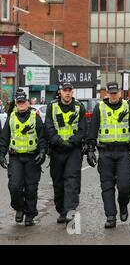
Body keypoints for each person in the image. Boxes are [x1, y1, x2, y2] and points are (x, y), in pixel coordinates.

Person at [86, 82, 130, 229]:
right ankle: (110, 216)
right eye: (111, 93)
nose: (113, 95)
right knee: (107, 186)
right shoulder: (99, 108)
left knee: (125, 185)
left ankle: (123, 204)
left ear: (120, 93)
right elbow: (92, 130)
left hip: (123, 152)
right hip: (105, 152)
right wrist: (90, 150)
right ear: (107, 93)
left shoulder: (128, 107)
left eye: (115, 93)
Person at [0, 91, 47, 226]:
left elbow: (42, 137)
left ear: (27, 103)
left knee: (31, 188)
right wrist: (2, 154)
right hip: (16, 158)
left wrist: (43, 151)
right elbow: (4, 138)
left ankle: (30, 214)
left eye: (23, 102)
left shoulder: (35, 117)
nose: (21, 105)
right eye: (19, 102)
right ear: (16, 104)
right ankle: (19, 208)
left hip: (32, 158)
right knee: (15, 186)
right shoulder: (11, 118)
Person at [45, 82, 87, 224]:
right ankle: (61, 210)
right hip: (57, 150)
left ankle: (70, 211)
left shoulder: (79, 107)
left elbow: (82, 128)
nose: (67, 93)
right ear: (60, 92)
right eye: (65, 90)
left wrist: (73, 142)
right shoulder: (52, 106)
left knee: (72, 180)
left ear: (72, 92)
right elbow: (48, 127)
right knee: (58, 182)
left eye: (69, 90)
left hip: (73, 150)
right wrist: (58, 141)